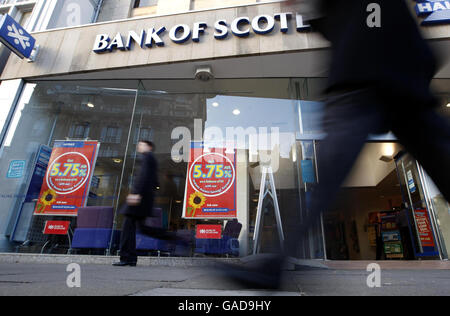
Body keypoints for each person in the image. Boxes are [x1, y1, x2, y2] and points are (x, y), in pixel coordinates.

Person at [217, 0, 450, 289]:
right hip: (386, 72)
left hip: (370, 75)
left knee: (327, 180)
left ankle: (272, 267)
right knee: (328, 178)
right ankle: (273, 266)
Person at [113, 140, 160, 267]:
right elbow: (155, 181)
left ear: (149, 147)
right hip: (144, 199)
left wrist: (136, 193)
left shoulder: (148, 157)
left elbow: (143, 177)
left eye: (141, 144)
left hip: (138, 199)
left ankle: (126, 257)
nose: (139, 146)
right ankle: (130, 258)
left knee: (127, 228)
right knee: (137, 228)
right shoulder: (151, 159)